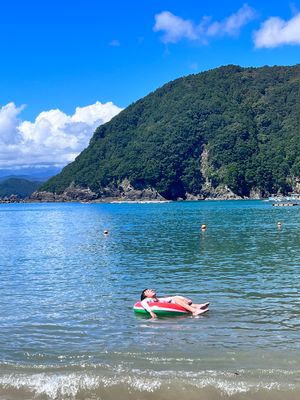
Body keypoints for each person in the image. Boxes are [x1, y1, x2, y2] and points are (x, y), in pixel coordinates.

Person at [140, 288, 209, 318]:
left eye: (151, 290)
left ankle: (197, 306)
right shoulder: (149, 300)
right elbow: (143, 303)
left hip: (174, 306)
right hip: (158, 310)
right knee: (175, 299)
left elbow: (171, 298)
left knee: (175, 298)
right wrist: (150, 312)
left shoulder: (159, 299)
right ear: (145, 295)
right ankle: (194, 311)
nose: (151, 290)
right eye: (148, 291)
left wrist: (185, 299)